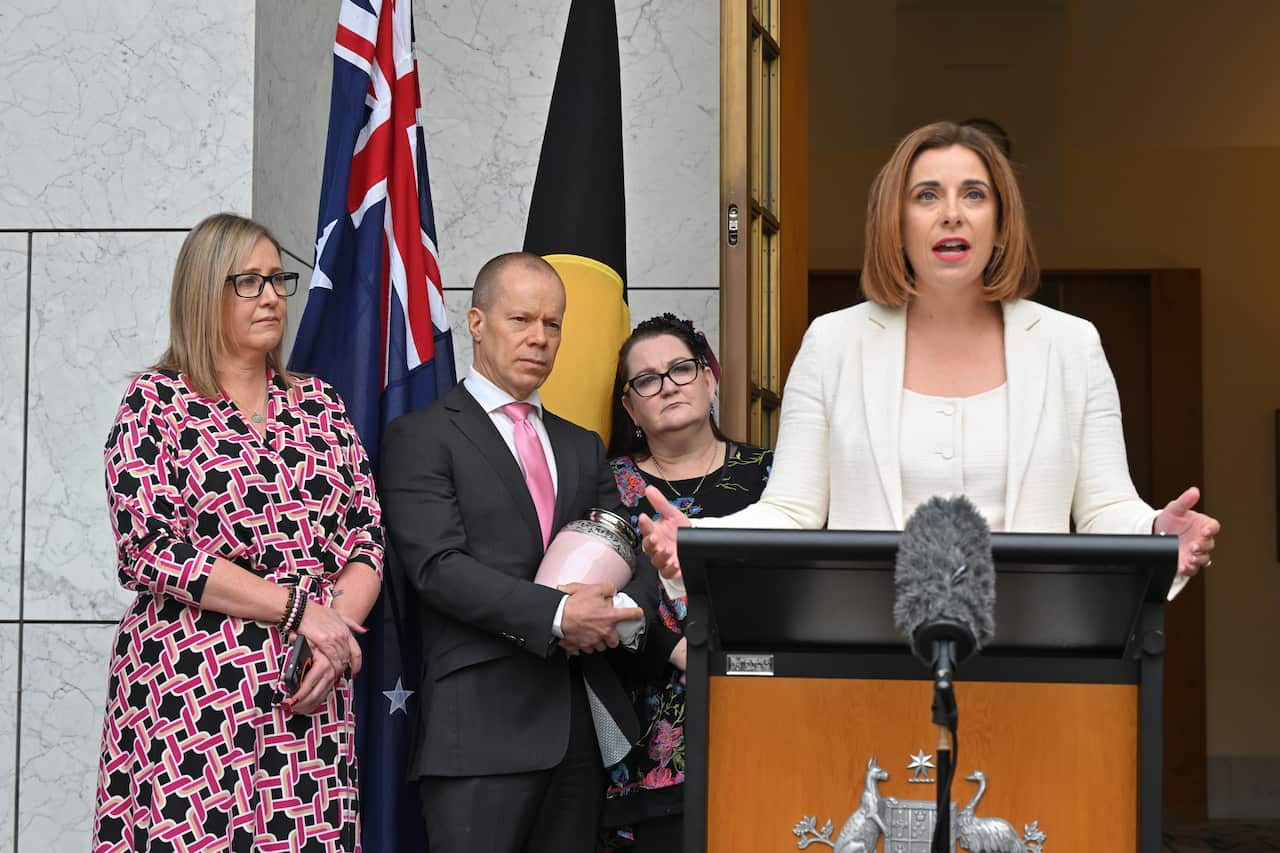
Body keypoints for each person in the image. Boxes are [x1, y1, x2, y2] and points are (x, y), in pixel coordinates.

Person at [639, 121, 1220, 589]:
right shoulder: (833, 343)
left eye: (974, 194)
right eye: (926, 196)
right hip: (865, 652)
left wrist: (1155, 530)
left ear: (1000, 222)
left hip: (1033, 660)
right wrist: (700, 536)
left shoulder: (1071, 345)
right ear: (896, 224)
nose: (952, 213)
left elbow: (1103, 509)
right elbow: (792, 509)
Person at [93, 213, 383, 851]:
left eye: (278, 279)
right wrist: (302, 612)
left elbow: (365, 539)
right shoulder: (158, 402)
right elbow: (150, 550)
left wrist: (330, 638)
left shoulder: (320, 405)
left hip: (307, 691)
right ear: (204, 292)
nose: (273, 296)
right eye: (248, 282)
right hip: (191, 694)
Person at [379, 252, 659, 853]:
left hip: (575, 733)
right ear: (477, 322)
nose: (539, 338)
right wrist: (559, 616)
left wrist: (618, 613)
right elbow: (436, 569)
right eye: (521, 319)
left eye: (553, 324)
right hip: (477, 734)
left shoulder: (583, 447)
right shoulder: (420, 436)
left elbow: (631, 559)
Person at [598, 314, 772, 852]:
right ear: (630, 407)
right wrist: (673, 648)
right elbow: (588, 599)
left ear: (710, 379)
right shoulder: (608, 483)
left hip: (764, 709)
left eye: (681, 368)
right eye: (647, 379)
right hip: (648, 728)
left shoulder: (774, 478)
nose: (669, 385)